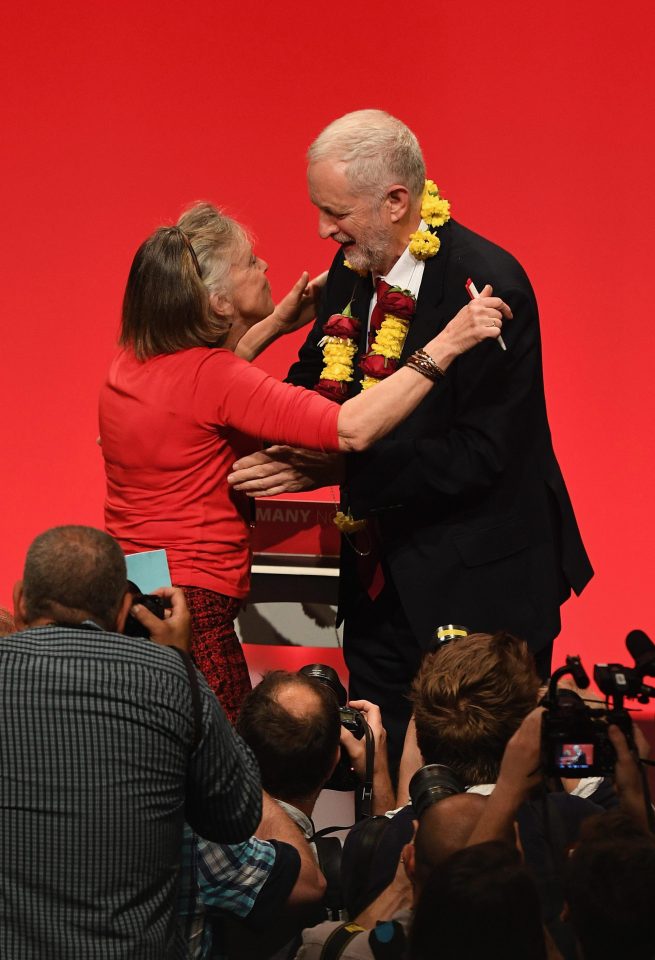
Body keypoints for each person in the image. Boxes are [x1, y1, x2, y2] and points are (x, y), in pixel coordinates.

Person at [228, 109, 594, 770]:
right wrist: (277, 429)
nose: (321, 228)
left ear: (396, 201)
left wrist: (334, 467)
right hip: (378, 576)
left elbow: (479, 453)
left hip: (477, 580)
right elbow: (317, 375)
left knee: (476, 785)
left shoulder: (486, 285)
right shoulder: (350, 268)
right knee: (382, 761)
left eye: (334, 210)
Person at [100, 202, 507, 722]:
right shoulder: (217, 380)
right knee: (230, 764)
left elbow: (195, 389)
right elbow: (354, 428)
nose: (265, 268)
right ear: (220, 303)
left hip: (140, 584)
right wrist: (446, 344)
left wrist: (276, 324)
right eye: (250, 263)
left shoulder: (133, 360)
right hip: (192, 605)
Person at [2, 525, 261, 960]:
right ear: (125, 610)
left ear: (20, 600)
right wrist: (181, 662)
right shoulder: (171, 679)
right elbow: (237, 816)